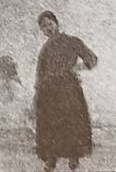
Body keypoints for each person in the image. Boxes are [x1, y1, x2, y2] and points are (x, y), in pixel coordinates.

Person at [33, 10, 98, 172]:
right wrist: (37, 94)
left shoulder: (72, 41)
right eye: (44, 27)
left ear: (56, 23)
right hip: (48, 91)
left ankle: (73, 157)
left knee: (72, 122)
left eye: (50, 24)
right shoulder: (45, 49)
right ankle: (51, 160)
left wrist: (77, 68)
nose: (48, 28)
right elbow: (40, 74)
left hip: (69, 89)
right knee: (50, 124)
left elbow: (92, 59)